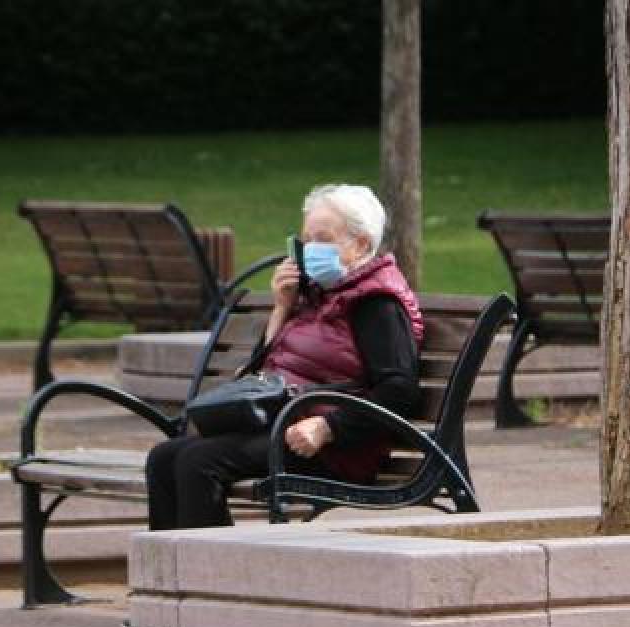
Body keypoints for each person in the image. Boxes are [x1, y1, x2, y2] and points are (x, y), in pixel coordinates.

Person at [145, 183, 424, 530]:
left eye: (323, 239)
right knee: (164, 458)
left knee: (199, 461)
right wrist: (282, 307)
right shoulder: (320, 292)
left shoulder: (375, 303)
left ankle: (208, 563)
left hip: (334, 448)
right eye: (305, 240)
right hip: (284, 425)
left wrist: (327, 428)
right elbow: (267, 370)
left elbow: (400, 390)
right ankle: (172, 563)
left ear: (361, 245)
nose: (310, 251)